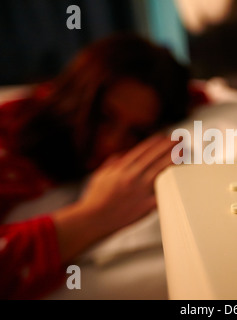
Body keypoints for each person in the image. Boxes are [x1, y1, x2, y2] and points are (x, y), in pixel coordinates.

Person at [0, 33, 208, 299]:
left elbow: (202, 94)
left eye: (136, 133)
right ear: (76, 96)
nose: (111, 144)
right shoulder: (11, 136)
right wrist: (93, 215)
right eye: (104, 117)